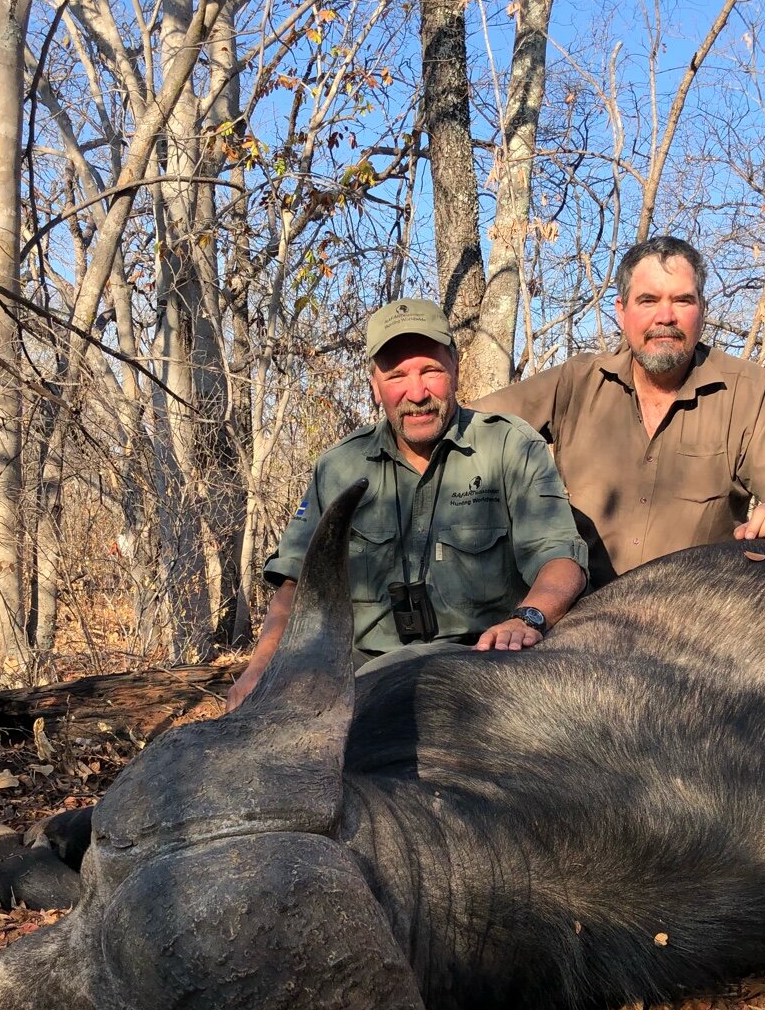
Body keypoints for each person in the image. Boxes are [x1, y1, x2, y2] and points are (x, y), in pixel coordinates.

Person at [226, 298, 587, 710]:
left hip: (484, 668)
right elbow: (295, 585)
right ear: (375, 383)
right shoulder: (338, 466)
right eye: (396, 375)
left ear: (454, 366)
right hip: (364, 681)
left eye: (431, 370)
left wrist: (528, 619)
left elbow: (560, 557)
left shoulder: (509, 445)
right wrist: (259, 670)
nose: (417, 393)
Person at [476, 236, 765, 588]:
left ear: (702, 309)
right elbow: (473, 426)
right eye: (648, 300)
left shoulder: (747, 388)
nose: (665, 317)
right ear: (621, 311)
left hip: (695, 614)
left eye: (682, 300)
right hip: (580, 614)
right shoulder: (575, 380)